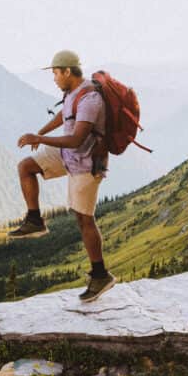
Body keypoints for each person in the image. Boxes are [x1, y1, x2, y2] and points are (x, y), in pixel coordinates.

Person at [9, 49, 112, 301]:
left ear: (68, 71)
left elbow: (77, 140)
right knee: (26, 167)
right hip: (67, 156)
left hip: (86, 163)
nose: (53, 78)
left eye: (55, 72)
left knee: (84, 220)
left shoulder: (90, 100)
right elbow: (64, 114)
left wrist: (40, 138)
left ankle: (100, 275)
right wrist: (40, 132)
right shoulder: (72, 93)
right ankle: (35, 220)